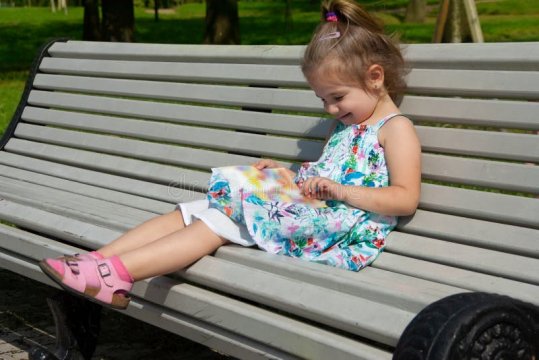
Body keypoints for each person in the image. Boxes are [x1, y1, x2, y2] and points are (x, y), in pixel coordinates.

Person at [39, 0, 421, 310]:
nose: (330, 109)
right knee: (193, 209)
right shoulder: (348, 125)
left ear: (375, 77)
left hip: (337, 231)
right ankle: (94, 262)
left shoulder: (394, 129)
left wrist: (340, 192)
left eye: (337, 98)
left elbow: (404, 197)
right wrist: (286, 175)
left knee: (217, 223)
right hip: (315, 214)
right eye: (323, 100)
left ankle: (118, 275)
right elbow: (326, 176)